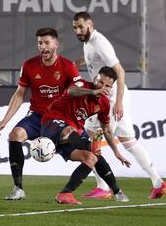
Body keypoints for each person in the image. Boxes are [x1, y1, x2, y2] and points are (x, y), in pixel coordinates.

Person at [72, 12, 166, 199]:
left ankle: (103, 186)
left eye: (81, 27)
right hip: (115, 97)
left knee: (89, 136)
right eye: (75, 28)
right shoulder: (89, 43)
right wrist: (73, 64)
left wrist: (117, 103)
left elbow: (120, 70)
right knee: (129, 142)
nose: (78, 31)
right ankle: (158, 182)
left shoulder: (99, 42)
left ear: (90, 24)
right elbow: (91, 58)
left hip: (110, 98)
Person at [0, 27, 81, 200]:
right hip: (36, 116)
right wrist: (5, 120)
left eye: (47, 43)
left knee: (80, 149)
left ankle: (64, 148)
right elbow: (19, 94)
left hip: (59, 118)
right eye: (40, 43)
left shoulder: (68, 67)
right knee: (15, 135)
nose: (43, 47)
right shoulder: (29, 65)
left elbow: (77, 92)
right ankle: (18, 189)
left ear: (56, 44)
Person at [41, 66, 131, 204]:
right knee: (72, 131)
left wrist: (116, 152)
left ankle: (66, 193)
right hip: (52, 123)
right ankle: (87, 147)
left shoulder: (104, 104)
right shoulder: (82, 85)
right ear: (95, 79)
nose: (103, 87)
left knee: (92, 157)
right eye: (101, 82)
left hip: (74, 134)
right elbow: (71, 91)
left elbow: (106, 130)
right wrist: (93, 92)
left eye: (108, 86)